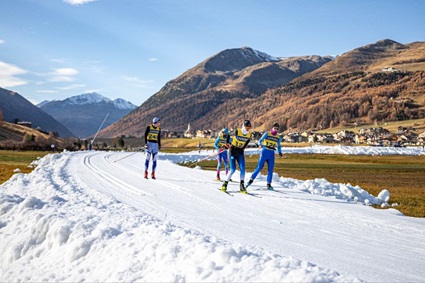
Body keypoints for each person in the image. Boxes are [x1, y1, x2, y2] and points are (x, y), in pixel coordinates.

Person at [246, 122, 283, 190]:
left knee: (270, 170)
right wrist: (260, 144)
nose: (275, 130)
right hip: (265, 152)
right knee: (259, 167)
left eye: (277, 129)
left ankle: (269, 184)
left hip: (271, 153)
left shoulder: (278, 136)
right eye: (275, 128)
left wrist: (280, 152)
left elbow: (279, 146)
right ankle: (250, 180)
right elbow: (260, 140)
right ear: (272, 128)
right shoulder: (267, 133)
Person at [221, 120, 252, 193]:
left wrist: (244, 147)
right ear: (243, 126)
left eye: (249, 127)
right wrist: (227, 143)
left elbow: (247, 141)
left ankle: (242, 186)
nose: (247, 129)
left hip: (240, 151)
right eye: (246, 127)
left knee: (242, 169)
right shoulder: (237, 131)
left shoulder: (249, 134)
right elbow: (228, 135)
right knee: (233, 169)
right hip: (233, 150)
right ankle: (225, 184)